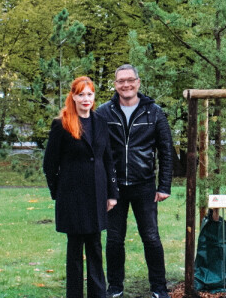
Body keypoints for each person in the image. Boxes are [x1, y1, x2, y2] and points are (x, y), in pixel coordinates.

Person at [96, 64, 174, 298]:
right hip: (114, 187)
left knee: (151, 238)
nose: (126, 85)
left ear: (138, 82)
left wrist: (165, 185)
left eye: (130, 80)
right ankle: (115, 287)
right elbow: (97, 151)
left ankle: (159, 288)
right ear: (115, 84)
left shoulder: (154, 112)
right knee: (114, 240)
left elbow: (166, 150)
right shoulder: (104, 112)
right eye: (121, 81)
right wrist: (102, 186)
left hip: (145, 185)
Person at [43, 76, 119, 298]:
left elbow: (108, 161)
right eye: (81, 94)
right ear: (73, 96)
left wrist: (112, 194)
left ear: (94, 96)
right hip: (72, 197)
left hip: (97, 195)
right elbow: (49, 164)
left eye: (89, 94)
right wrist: (59, 192)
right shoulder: (62, 124)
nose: (85, 99)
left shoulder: (101, 122)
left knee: (95, 247)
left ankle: (98, 294)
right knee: (75, 249)